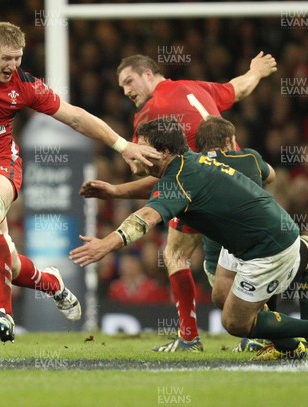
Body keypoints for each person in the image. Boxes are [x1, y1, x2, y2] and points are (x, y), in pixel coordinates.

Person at [0, 22, 161, 343]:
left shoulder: (25, 85)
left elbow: (75, 116)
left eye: (18, 58)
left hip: (0, 162)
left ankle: (3, 313)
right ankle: (52, 284)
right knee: (6, 262)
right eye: (6, 58)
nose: (13, 66)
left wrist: (122, 145)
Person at [70, 117, 308, 360]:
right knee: (222, 294)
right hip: (260, 235)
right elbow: (159, 186)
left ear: (163, 152)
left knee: (234, 322)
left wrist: (105, 244)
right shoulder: (188, 163)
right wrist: (116, 192)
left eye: (141, 147)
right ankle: (290, 345)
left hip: (266, 247)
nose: (134, 153)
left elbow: (146, 219)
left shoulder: (179, 178)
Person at [98, 52, 278, 351]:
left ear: (147, 74)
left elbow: (148, 167)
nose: (127, 91)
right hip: (245, 179)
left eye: (129, 81)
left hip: (204, 188)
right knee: (238, 259)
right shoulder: (197, 87)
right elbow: (239, 88)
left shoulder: (151, 112)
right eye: (121, 87)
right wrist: (256, 71)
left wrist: (124, 176)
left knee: (175, 254)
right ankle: (259, 331)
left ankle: (190, 336)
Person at [194, 117, 308, 358]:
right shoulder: (248, 157)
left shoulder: (192, 168)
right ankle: (307, 335)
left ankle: (280, 340)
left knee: (262, 276)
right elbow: (271, 176)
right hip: (252, 250)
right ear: (228, 141)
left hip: (216, 264)